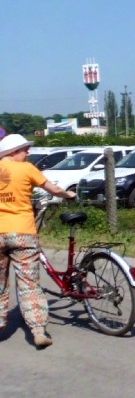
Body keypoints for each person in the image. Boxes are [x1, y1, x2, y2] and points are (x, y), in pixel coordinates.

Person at [0, 134, 77, 349]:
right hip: (23, 233)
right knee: (29, 283)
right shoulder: (26, 169)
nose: (28, 153)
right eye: (25, 149)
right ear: (13, 151)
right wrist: (68, 194)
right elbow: (53, 189)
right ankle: (38, 331)